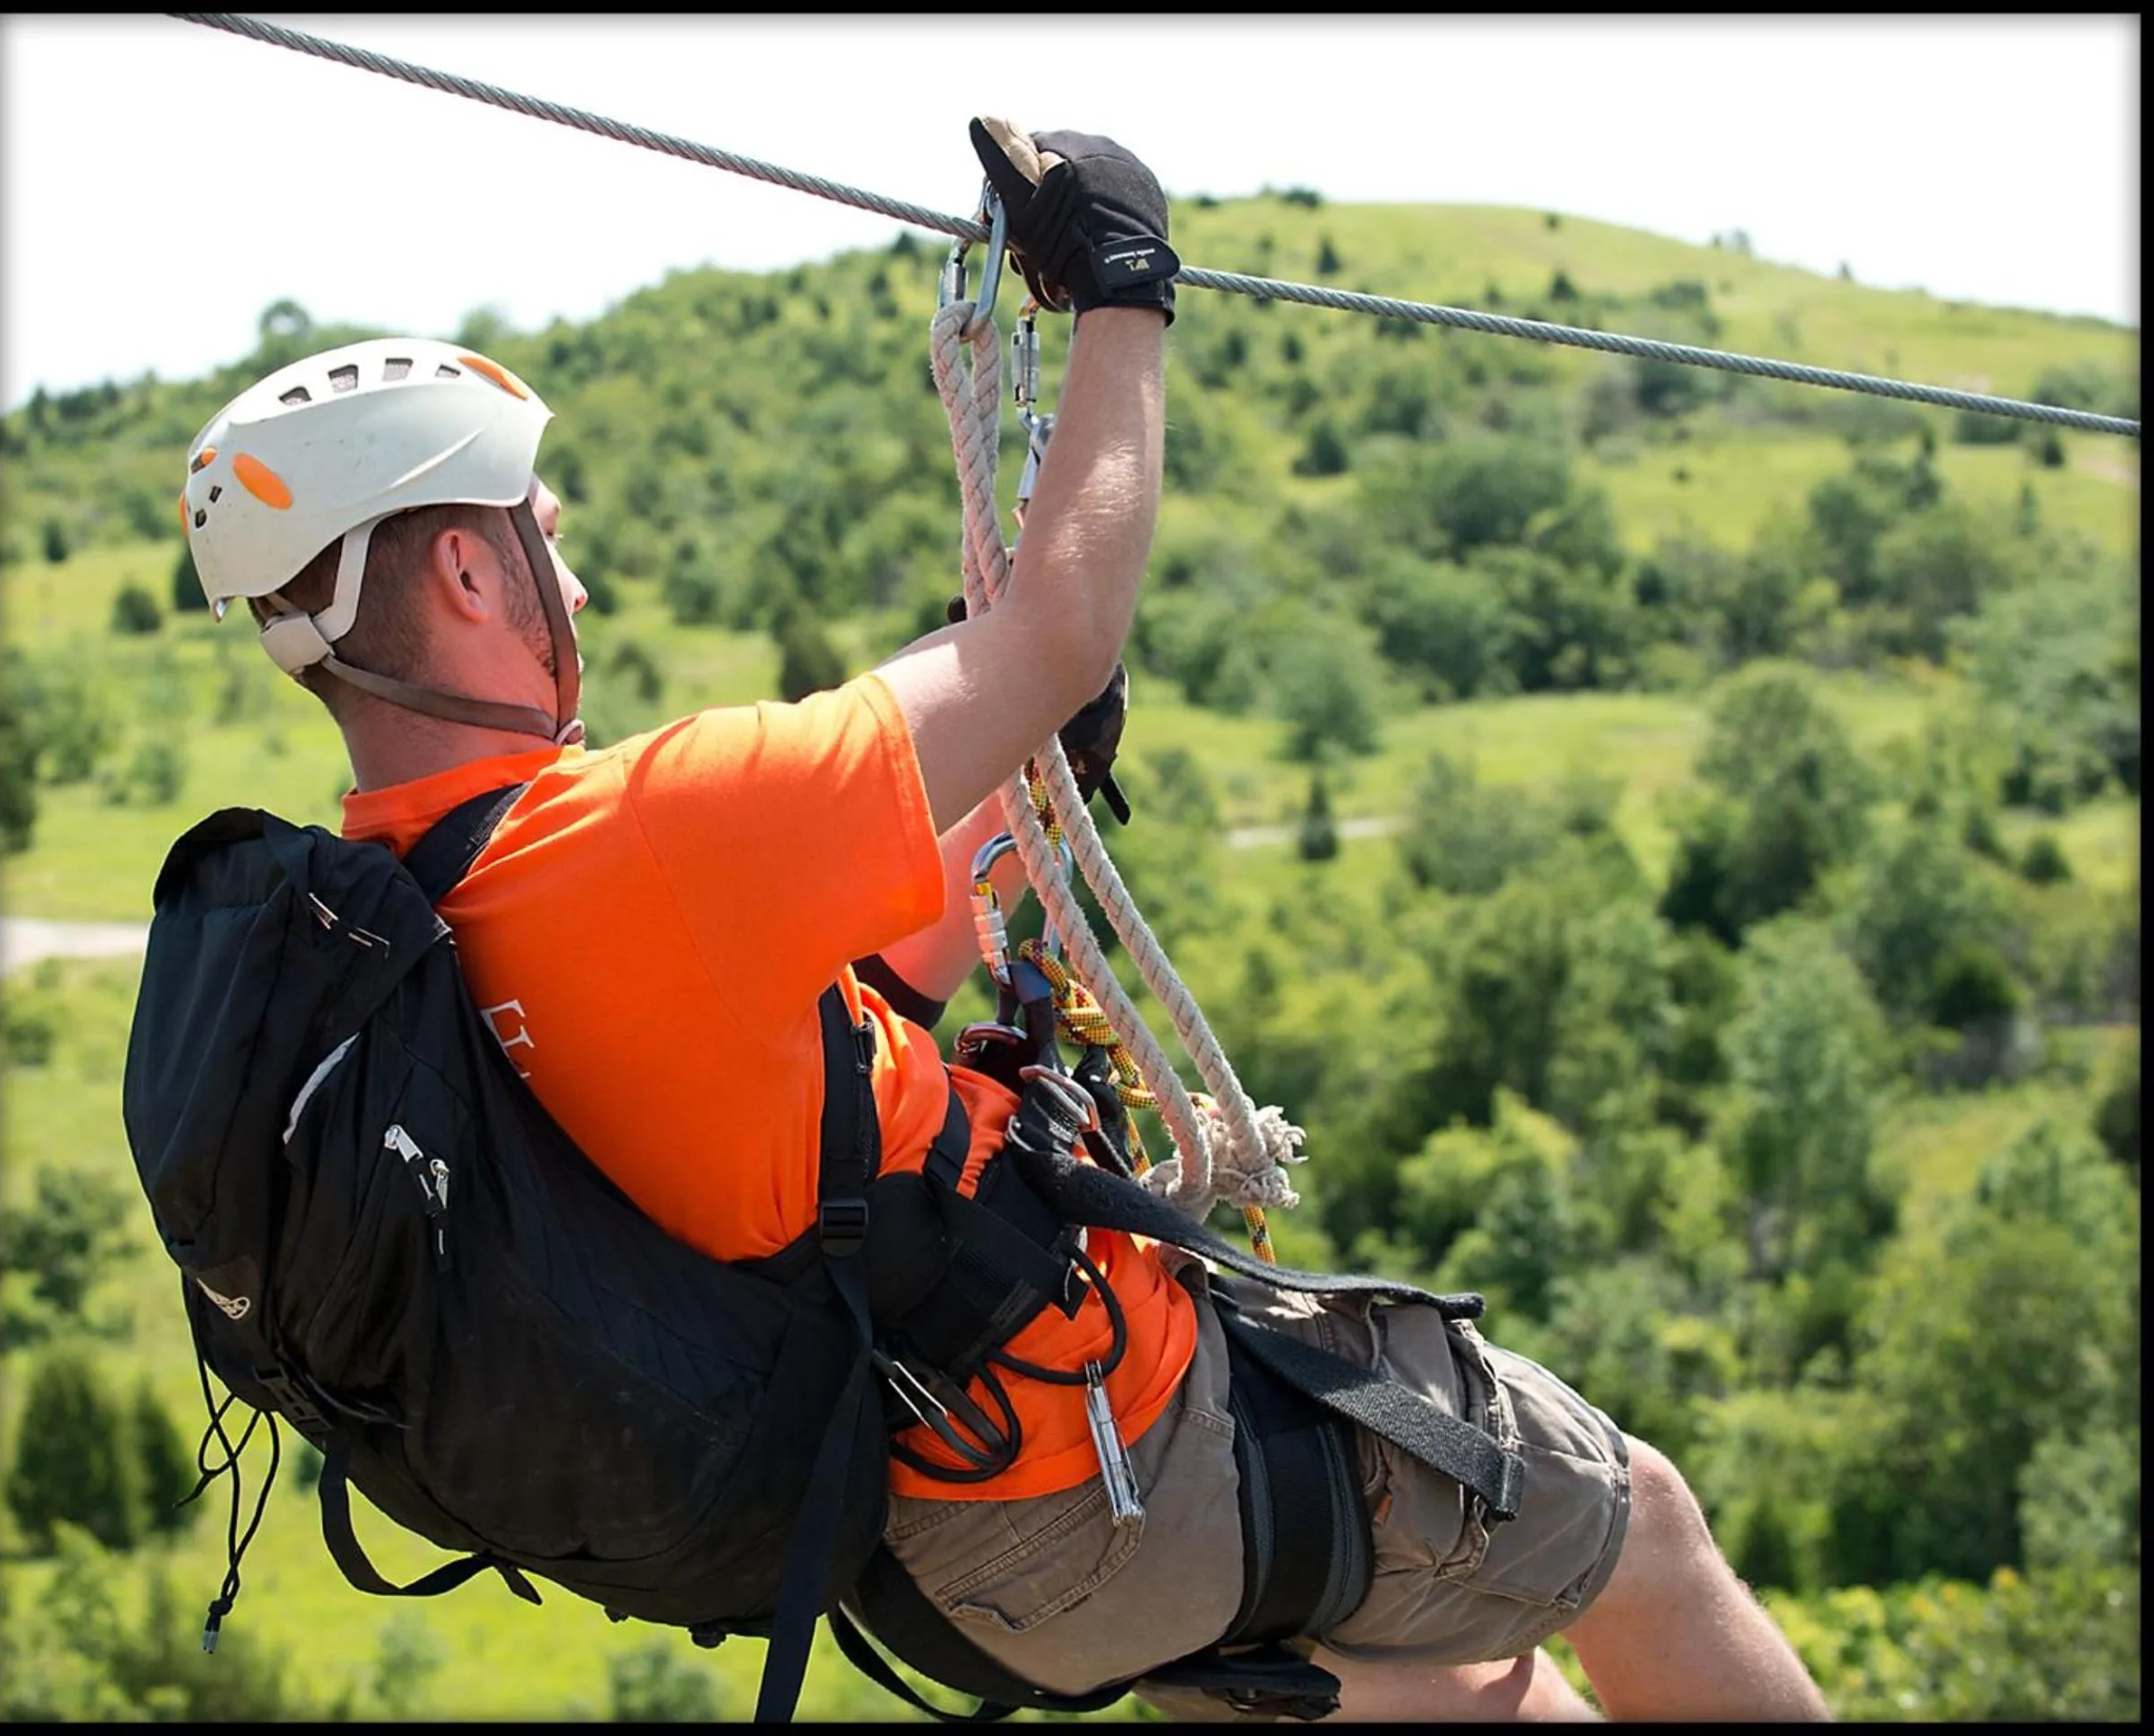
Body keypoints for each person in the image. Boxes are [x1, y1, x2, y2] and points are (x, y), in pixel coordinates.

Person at [175, 117, 1828, 1723]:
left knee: (1476, 1699)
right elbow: (1061, 629)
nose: (575, 585)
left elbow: (829, 1031)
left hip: (946, 1541)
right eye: (546, 542)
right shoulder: (643, 832)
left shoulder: (417, 917)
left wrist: (1001, 813)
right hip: (1090, 1441)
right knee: (1646, 1534)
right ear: (467, 577)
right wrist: (1123, 280)